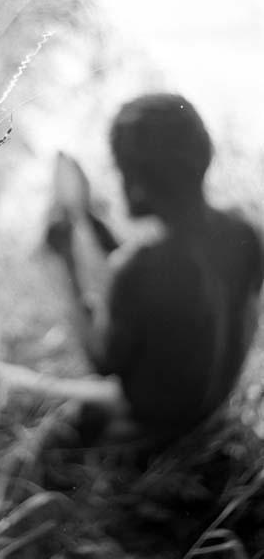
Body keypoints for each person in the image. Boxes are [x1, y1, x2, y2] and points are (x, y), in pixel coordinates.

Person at [48, 93, 263, 444]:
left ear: (135, 180)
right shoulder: (246, 232)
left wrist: (66, 264)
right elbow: (170, 286)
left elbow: (103, 362)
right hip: (209, 414)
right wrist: (89, 221)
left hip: (149, 428)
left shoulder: (140, 267)